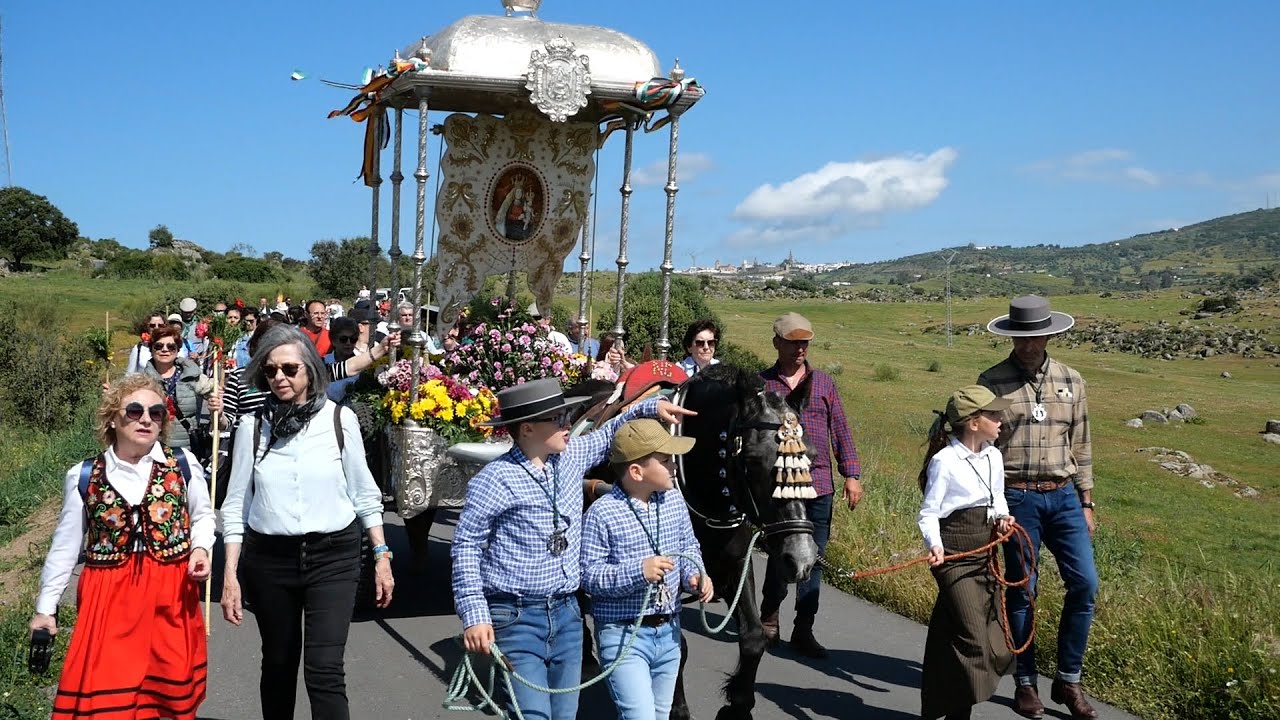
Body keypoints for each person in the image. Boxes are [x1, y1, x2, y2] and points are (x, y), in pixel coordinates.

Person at [452, 379, 693, 720]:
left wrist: (648, 408)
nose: (569, 424)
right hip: (516, 615)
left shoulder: (571, 457)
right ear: (527, 428)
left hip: (567, 615)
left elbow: (610, 434)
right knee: (533, 714)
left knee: (565, 716)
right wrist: (474, 615)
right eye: (559, 419)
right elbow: (466, 547)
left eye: (567, 416)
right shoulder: (494, 479)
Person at [219, 324, 394, 720]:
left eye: (289, 369)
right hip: (269, 561)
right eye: (270, 371)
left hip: (334, 557)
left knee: (324, 670)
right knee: (278, 666)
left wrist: (382, 555)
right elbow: (235, 507)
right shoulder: (253, 427)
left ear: (310, 370)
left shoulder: (339, 420)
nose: (280, 377)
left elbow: (365, 495)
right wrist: (230, 574)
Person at [32, 374, 215, 719]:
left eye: (156, 412)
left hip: (171, 593)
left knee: (167, 699)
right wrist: (46, 609)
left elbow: (203, 516)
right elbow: (65, 547)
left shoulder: (183, 464)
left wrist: (201, 549)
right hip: (109, 596)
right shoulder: (84, 474)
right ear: (112, 418)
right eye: (134, 410)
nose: (146, 419)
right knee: (108, 698)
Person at [978, 296, 1099, 720]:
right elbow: (981, 449)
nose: (1028, 345)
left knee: (1085, 584)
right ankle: (1025, 682)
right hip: (1017, 497)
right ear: (1011, 337)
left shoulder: (1072, 379)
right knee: (1022, 589)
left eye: (1036, 337)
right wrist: (994, 507)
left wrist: (1087, 500)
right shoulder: (991, 381)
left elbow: (1081, 445)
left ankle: (1068, 679)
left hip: (1064, 495)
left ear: (1049, 334)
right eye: (1021, 337)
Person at [581, 419, 714, 720]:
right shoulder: (602, 513)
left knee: (659, 713)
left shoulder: (674, 500)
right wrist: (637, 572)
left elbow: (689, 545)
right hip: (624, 636)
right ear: (636, 472)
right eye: (665, 460)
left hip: (668, 633)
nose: (674, 466)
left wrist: (695, 576)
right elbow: (588, 576)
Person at [758, 312, 861, 659]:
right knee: (780, 554)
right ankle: (769, 617)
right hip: (781, 487)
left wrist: (852, 474)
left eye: (804, 342)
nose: (800, 349)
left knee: (814, 557)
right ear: (777, 343)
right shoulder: (763, 385)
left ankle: (804, 627)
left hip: (818, 483)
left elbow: (841, 429)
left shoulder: (824, 383)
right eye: (793, 342)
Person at [917, 386, 1016, 720]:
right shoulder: (945, 462)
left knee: (985, 640)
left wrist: (1002, 519)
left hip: (985, 553)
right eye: (993, 414)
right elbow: (929, 513)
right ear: (973, 422)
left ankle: (940, 709)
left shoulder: (994, 456)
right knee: (974, 640)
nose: (1000, 419)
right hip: (954, 557)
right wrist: (935, 546)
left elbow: (997, 498)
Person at [139, 326, 221, 455]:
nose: (165, 350)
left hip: (187, 452)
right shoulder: (142, 382)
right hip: (154, 451)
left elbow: (219, 416)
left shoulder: (192, 376)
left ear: (177, 350)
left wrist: (218, 410)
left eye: (171, 346)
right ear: (151, 349)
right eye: (158, 346)